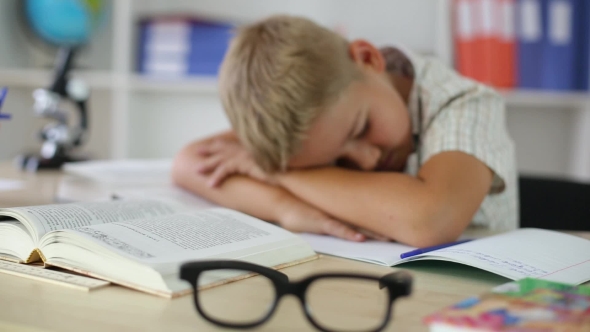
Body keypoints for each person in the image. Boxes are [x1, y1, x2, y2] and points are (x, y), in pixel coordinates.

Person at [172, 15, 517, 247]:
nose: (365, 160)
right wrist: (285, 209)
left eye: (362, 127)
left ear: (368, 58)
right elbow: (189, 162)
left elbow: (430, 220)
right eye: (329, 160)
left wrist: (279, 173)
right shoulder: (307, 123)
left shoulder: (464, 102)